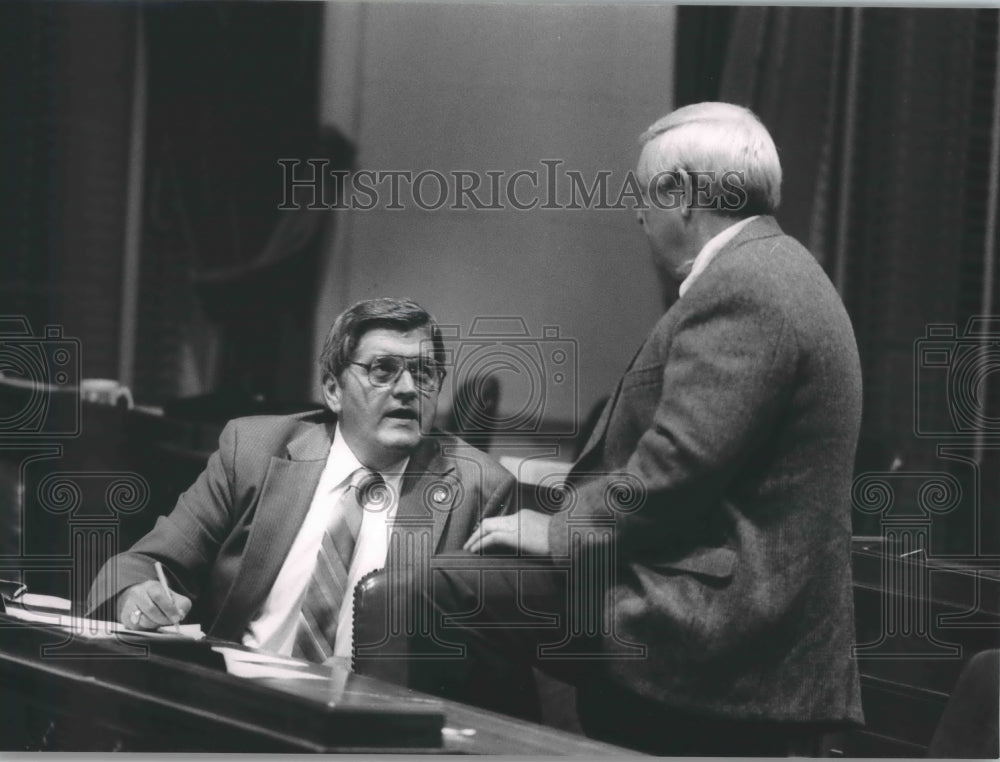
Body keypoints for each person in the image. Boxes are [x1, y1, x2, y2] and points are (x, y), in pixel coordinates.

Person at [368, 103, 865, 755]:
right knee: (451, 587)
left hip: (712, 617)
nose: (637, 215)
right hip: (714, 589)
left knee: (428, 598)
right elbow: (704, 458)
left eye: (644, 195)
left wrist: (558, 528)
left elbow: (675, 471)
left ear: (683, 196)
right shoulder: (772, 269)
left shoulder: (748, 288)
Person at [86, 298, 517, 671]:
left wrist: (384, 668)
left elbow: (490, 660)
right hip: (235, 704)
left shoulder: (479, 490)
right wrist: (136, 597)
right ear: (332, 390)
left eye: (423, 374)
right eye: (383, 370)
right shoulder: (255, 451)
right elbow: (144, 564)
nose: (407, 389)